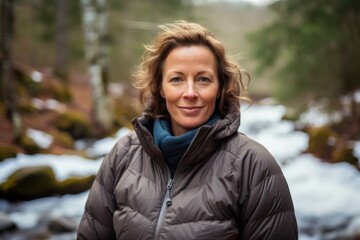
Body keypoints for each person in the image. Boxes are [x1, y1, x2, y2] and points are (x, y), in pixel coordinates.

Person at [77, 20, 298, 240]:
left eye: (203, 79)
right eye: (176, 79)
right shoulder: (123, 154)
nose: (190, 92)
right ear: (160, 88)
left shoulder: (254, 165)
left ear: (220, 87)